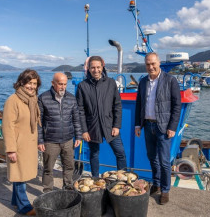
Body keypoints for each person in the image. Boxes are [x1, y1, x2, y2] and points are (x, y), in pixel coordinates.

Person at [135, 52, 181, 205]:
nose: (150, 67)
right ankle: (156, 183)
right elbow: (139, 105)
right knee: (152, 158)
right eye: (148, 64)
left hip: (163, 127)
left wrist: (172, 126)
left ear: (159, 63)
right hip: (148, 125)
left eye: (153, 63)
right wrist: (137, 125)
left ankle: (165, 190)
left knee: (164, 161)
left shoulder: (170, 81)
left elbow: (176, 106)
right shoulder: (143, 82)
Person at [76, 55, 127, 177]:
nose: (96, 70)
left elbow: (117, 106)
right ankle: (95, 179)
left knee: (120, 153)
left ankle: (122, 179)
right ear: (88, 69)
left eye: (98, 67)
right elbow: (80, 111)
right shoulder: (82, 86)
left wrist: (116, 126)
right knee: (94, 154)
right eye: (93, 67)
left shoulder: (110, 83)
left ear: (102, 67)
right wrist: (84, 131)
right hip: (92, 127)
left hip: (110, 125)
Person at [2, 69, 42, 216]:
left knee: (21, 174)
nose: (32, 86)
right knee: (19, 175)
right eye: (29, 83)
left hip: (29, 145)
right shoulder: (13, 100)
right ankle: (24, 206)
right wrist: (11, 149)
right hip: (18, 146)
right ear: (22, 82)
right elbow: (7, 126)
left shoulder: (32, 99)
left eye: (35, 84)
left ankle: (15, 201)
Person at [38, 73, 82, 193]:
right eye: (60, 84)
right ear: (53, 83)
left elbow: (76, 119)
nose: (63, 87)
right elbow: (39, 122)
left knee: (69, 166)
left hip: (68, 140)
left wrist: (78, 136)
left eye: (65, 84)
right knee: (48, 168)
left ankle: (67, 187)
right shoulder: (43, 98)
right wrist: (40, 140)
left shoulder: (71, 98)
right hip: (50, 141)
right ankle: (48, 190)